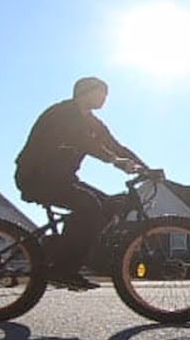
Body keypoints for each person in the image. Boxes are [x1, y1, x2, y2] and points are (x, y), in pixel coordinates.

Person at [15, 76, 145, 290]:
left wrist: (146, 168)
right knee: (89, 205)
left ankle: (66, 263)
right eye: (102, 92)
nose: (105, 98)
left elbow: (116, 146)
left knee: (108, 206)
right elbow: (83, 141)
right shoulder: (62, 113)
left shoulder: (94, 123)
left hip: (63, 180)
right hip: (35, 177)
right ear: (86, 92)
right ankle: (61, 268)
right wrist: (113, 161)